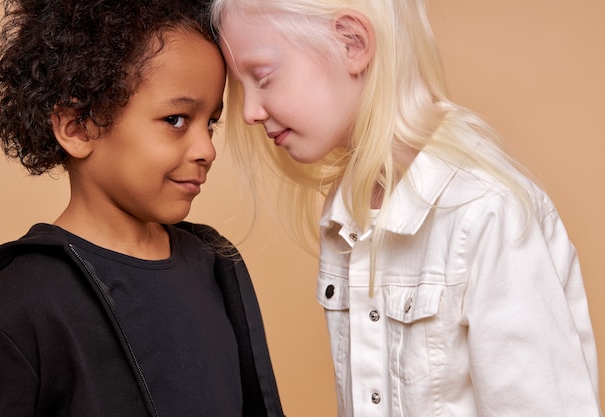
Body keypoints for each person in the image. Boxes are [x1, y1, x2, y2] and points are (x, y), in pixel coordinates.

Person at [209, 0, 602, 416]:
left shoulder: (485, 212)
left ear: (352, 43)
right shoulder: (346, 216)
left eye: (263, 78)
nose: (249, 111)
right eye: (241, 86)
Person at [0, 0, 285, 416]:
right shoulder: (16, 304)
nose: (207, 149)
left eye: (210, 123)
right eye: (176, 119)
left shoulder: (215, 264)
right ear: (77, 126)